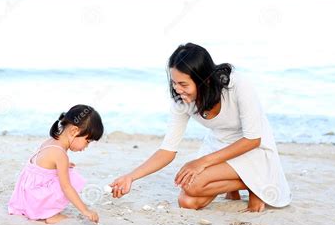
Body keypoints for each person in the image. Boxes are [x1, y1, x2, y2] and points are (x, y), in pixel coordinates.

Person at [110, 43, 291, 212]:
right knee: (187, 202)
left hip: (252, 149)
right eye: (174, 82)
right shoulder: (182, 102)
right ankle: (241, 183)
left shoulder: (237, 85)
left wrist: (201, 162)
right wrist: (130, 177)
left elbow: (253, 139)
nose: (177, 89)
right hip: (219, 146)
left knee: (193, 184)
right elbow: (167, 150)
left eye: (183, 84)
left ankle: (254, 185)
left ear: (205, 80)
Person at [8, 104, 103, 224]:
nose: (86, 147)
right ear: (74, 131)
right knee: (72, 178)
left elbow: (43, 165)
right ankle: (49, 214)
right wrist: (86, 210)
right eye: (87, 141)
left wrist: (63, 165)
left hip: (25, 195)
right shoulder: (60, 154)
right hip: (34, 201)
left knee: (67, 172)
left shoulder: (51, 142)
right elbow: (67, 187)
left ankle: (43, 208)